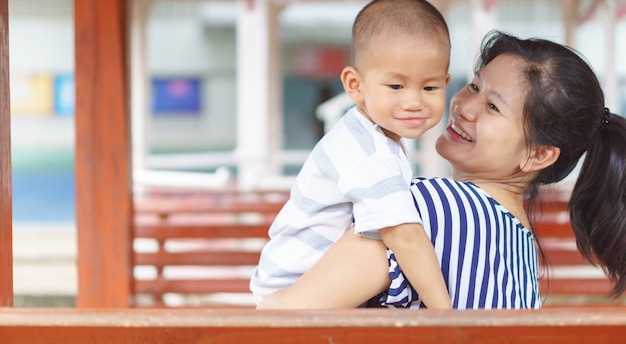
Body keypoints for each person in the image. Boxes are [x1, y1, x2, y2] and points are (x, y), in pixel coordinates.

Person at [257, 30, 626, 309]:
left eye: (494, 107)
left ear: (538, 156)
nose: (464, 106)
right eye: (474, 85)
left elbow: (280, 319)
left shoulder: (425, 207)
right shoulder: (518, 241)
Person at [249, 0, 452, 309]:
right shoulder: (368, 151)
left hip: (311, 282)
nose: (414, 101)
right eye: (396, 87)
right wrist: (448, 314)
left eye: (429, 88)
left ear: (446, 83)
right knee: (388, 244)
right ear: (355, 85)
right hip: (292, 292)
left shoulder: (374, 136)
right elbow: (405, 236)